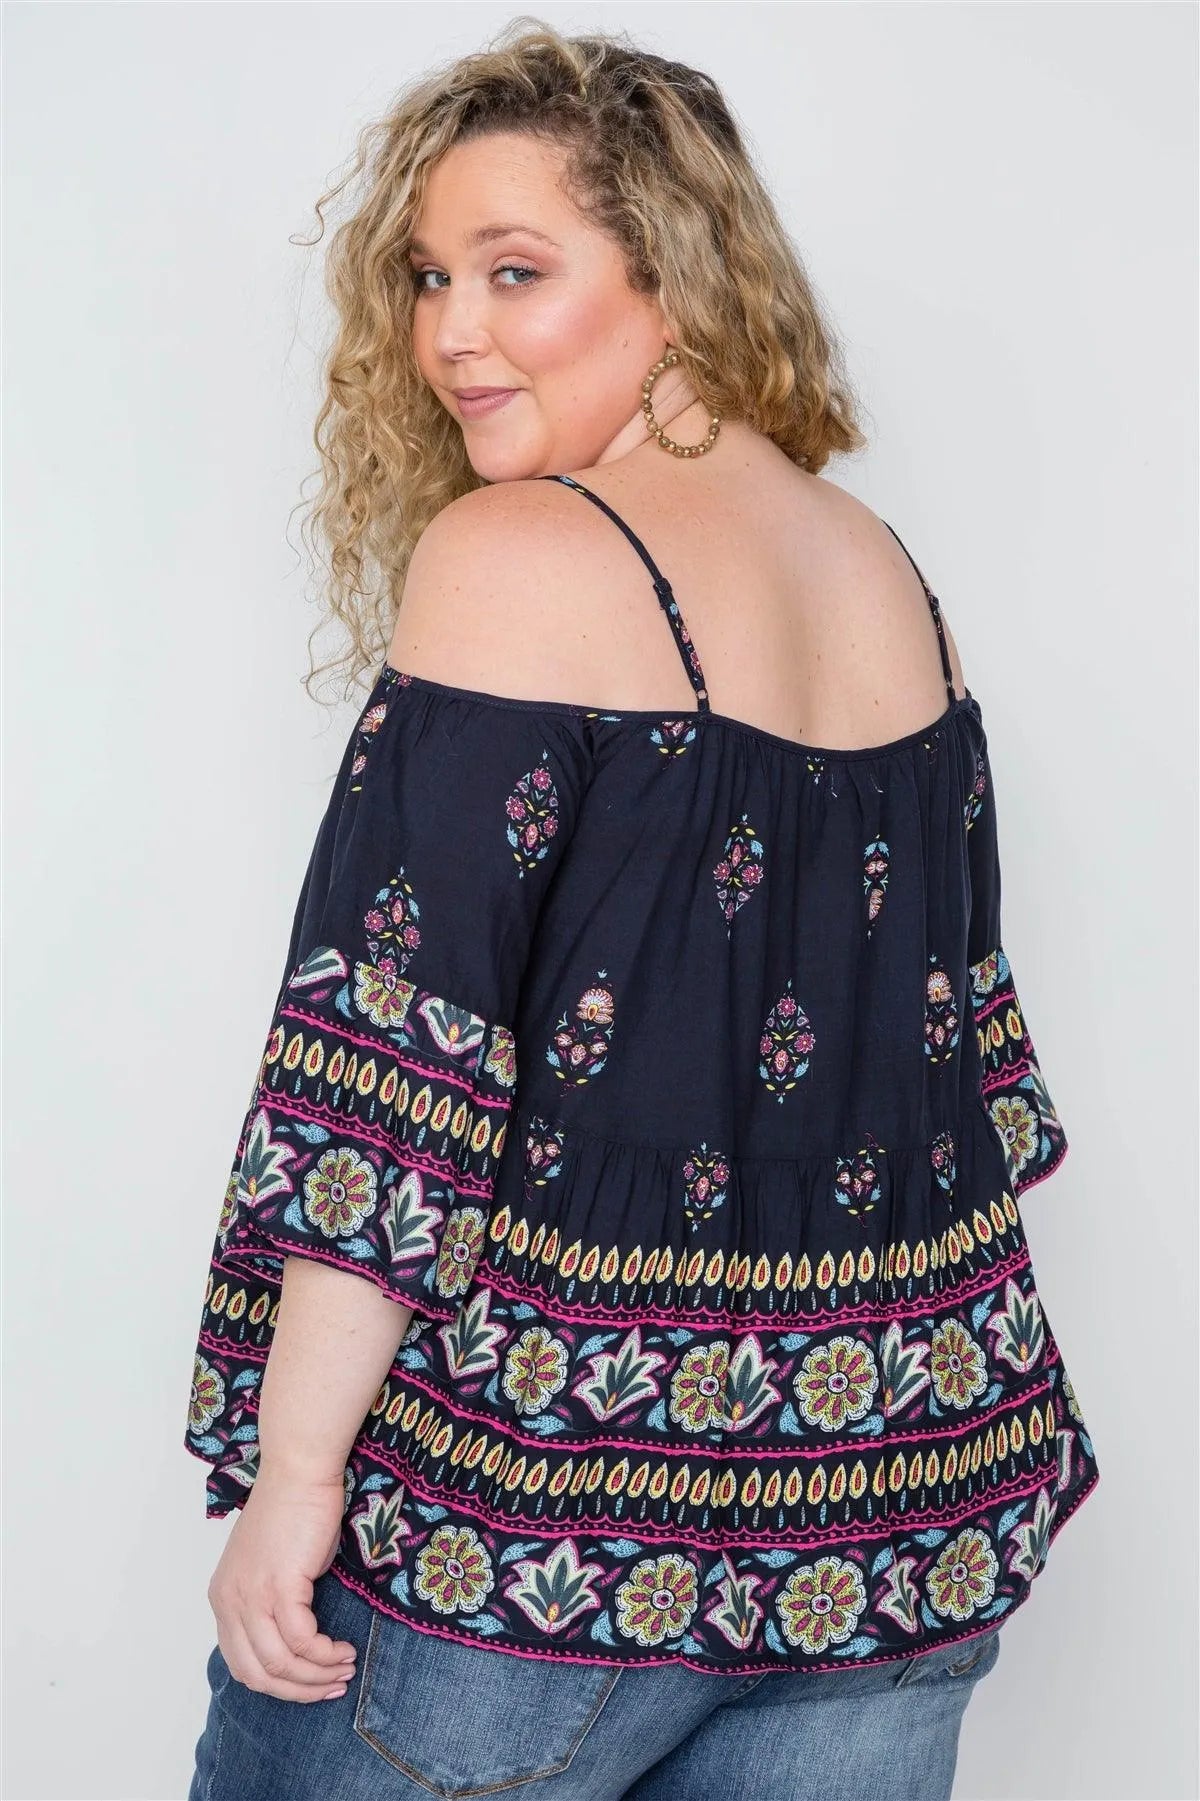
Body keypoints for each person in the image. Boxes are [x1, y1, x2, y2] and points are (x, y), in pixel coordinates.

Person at [184, 22, 1098, 1801]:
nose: (450, 333)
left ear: (672, 275)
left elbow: (394, 1078)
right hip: (896, 1511)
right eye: (429, 277)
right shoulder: (882, 570)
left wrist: (295, 1479)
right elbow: (958, 1066)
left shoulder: (520, 556)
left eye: (515, 271)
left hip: (546, 1537)